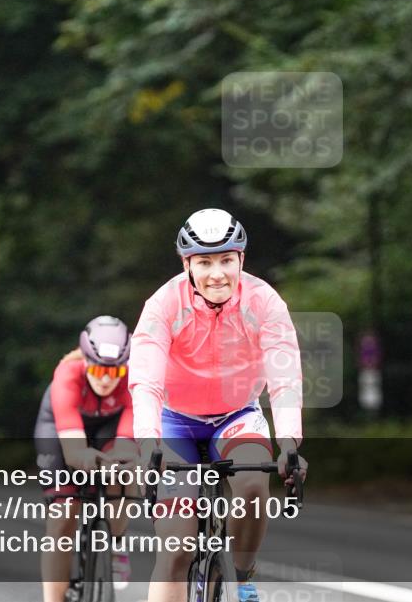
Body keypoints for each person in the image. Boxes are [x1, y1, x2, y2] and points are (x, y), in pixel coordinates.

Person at [129, 208, 307, 602]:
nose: (217, 273)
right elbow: (146, 381)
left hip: (237, 416)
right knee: (176, 547)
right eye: (205, 262)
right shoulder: (163, 305)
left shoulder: (263, 302)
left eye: (226, 260)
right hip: (176, 420)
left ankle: (242, 576)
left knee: (253, 487)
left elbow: (285, 375)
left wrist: (290, 444)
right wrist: (147, 443)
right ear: (186, 264)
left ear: (241, 259)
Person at [35, 316, 139, 601]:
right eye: (97, 369)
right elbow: (74, 453)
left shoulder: (135, 378)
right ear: (85, 361)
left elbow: (128, 445)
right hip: (60, 431)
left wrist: (123, 462)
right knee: (63, 514)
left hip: (108, 427)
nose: (106, 379)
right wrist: (86, 459)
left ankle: (115, 541)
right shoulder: (68, 373)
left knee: (125, 471)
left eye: (115, 373)